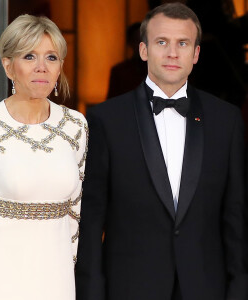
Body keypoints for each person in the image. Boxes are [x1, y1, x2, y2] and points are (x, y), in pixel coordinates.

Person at [75, 3, 247, 300]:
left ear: (195, 54)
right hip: (129, 288)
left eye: (183, 43)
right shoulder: (106, 120)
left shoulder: (227, 120)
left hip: (206, 288)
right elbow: (91, 221)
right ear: (143, 50)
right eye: (161, 42)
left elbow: (236, 219)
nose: (172, 53)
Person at [0, 14, 88, 300]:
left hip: (56, 275)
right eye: (29, 56)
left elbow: (76, 211)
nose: (42, 68)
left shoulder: (76, 126)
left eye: (51, 57)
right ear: (8, 66)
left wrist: (70, 269)